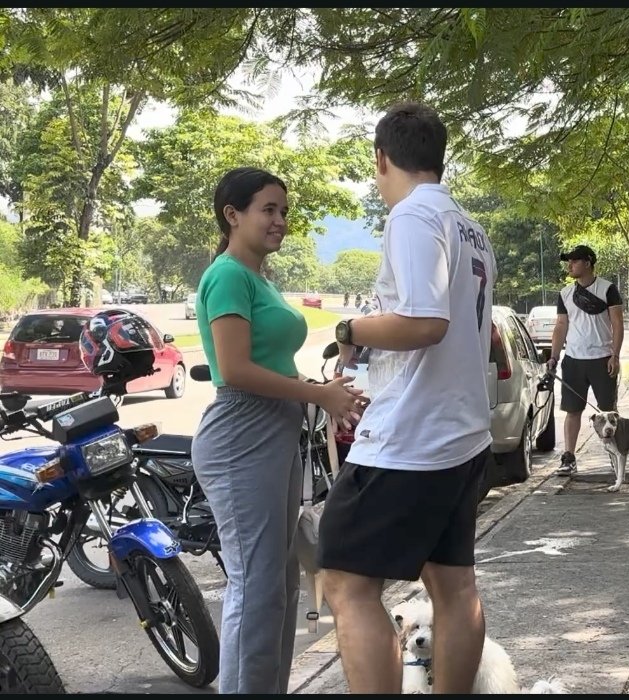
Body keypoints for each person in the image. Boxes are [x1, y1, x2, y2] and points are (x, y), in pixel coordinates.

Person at [317, 101, 497, 694]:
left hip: (411, 440)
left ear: (382, 159)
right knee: (454, 585)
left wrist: (351, 330)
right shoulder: (469, 226)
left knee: (345, 584)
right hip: (463, 433)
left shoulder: (412, 217)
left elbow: (424, 322)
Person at [191, 167, 363, 694]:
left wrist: (323, 389)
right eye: (268, 209)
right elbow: (235, 369)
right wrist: (318, 395)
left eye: (283, 211)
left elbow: (271, 364)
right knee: (256, 585)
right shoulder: (227, 276)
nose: (279, 221)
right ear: (233, 214)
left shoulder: (259, 279)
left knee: (280, 584)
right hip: (240, 434)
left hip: (275, 432)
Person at [548, 244, 625, 476]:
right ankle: (569, 458)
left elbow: (617, 323)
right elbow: (561, 325)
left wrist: (615, 354)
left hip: (602, 359)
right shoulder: (565, 294)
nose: (569, 265)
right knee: (572, 411)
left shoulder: (608, 289)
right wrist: (553, 357)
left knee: (609, 411)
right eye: (568, 261)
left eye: (574, 261)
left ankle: (616, 457)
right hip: (573, 360)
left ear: (588, 263)